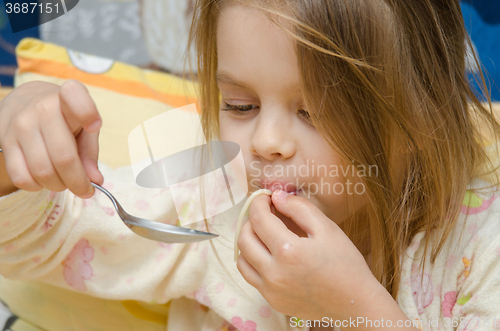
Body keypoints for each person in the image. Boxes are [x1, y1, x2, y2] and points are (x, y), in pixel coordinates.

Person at [1, 0, 500, 331]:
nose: (266, 142)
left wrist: (356, 311)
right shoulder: (213, 202)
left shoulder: (482, 250)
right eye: (240, 105)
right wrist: (18, 155)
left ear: (421, 118)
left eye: (315, 112)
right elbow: (43, 239)